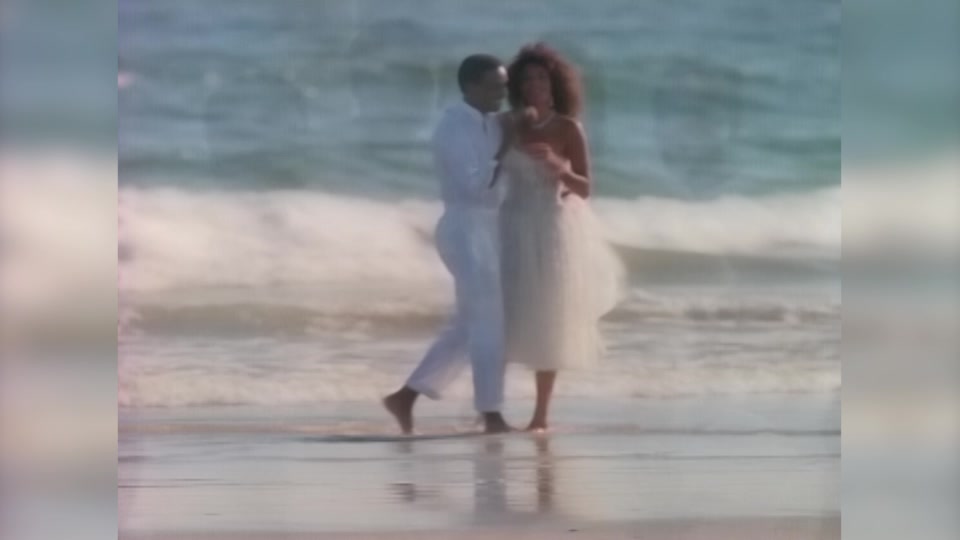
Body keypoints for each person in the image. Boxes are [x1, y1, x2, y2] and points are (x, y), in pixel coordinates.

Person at [497, 43, 624, 432]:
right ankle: (491, 409)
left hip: (550, 227)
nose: (534, 85)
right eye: (527, 79)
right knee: (503, 318)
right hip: (511, 224)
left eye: (541, 78)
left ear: (555, 84)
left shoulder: (568, 128)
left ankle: (540, 416)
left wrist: (558, 167)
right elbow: (485, 171)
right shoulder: (507, 124)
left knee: (548, 318)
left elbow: (585, 188)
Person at [383, 54, 513, 435]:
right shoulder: (452, 127)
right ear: (471, 86)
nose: (502, 94)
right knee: (488, 323)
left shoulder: (493, 122)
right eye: (494, 87)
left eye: (504, 87)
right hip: (465, 228)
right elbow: (474, 186)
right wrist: (507, 147)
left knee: (469, 324)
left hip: (491, 229)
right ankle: (491, 413)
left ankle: (406, 396)